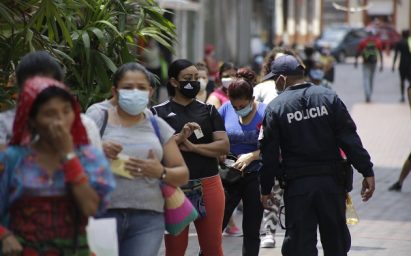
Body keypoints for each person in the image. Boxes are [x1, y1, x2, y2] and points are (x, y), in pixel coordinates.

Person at [260, 55, 376, 256]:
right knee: (336, 243)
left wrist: (266, 188)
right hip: (331, 185)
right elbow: (349, 139)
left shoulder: (276, 107)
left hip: (298, 188)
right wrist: (367, 170)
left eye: (274, 79)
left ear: (281, 79)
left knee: (299, 246)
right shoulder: (328, 97)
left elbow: (269, 154)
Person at [0, 77, 115, 255]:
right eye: (49, 114)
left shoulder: (89, 158)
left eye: (66, 111)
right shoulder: (13, 159)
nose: (60, 120)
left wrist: (68, 156)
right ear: (32, 120)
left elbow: (91, 208)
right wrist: (4, 236)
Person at [88, 62, 189, 256]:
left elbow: (182, 173)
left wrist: (160, 171)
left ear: (150, 91)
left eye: (141, 88)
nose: (135, 92)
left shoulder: (157, 125)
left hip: (148, 219)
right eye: (127, 87)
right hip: (102, 213)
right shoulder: (98, 117)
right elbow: (72, 156)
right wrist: (98, 149)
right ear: (115, 91)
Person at [151, 59, 229, 256]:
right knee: (175, 249)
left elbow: (223, 145)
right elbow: (153, 150)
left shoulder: (208, 110)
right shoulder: (158, 113)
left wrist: (194, 147)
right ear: (174, 82)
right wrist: (179, 138)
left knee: (213, 247)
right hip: (174, 189)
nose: (194, 82)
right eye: (187, 78)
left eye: (196, 78)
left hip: (209, 185)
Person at [0, 51, 103, 150]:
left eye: (48, 85)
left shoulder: (85, 126)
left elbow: (95, 165)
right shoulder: (4, 125)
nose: (42, 92)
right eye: (34, 86)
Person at [218, 68, 264, 256]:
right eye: (234, 106)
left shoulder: (265, 112)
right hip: (229, 176)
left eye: (242, 106)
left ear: (252, 99)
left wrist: (252, 155)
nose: (238, 110)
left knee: (252, 229)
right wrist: (219, 153)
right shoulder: (225, 110)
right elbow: (215, 137)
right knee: (215, 225)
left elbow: (274, 147)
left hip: (255, 176)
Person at [355, 32, 384, 103]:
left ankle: (367, 95)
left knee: (366, 79)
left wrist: (356, 61)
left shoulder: (363, 42)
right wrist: (381, 64)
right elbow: (380, 53)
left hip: (365, 63)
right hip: (374, 63)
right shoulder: (377, 42)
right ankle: (370, 94)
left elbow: (358, 51)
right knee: (371, 79)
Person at [392, 29, 411, 104]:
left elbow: (396, 55)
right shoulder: (410, 42)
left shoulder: (399, 42)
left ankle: (402, 96)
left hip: (402, 64)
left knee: (402, 80)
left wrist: (393, 65)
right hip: (410, 64)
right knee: (410, 81)